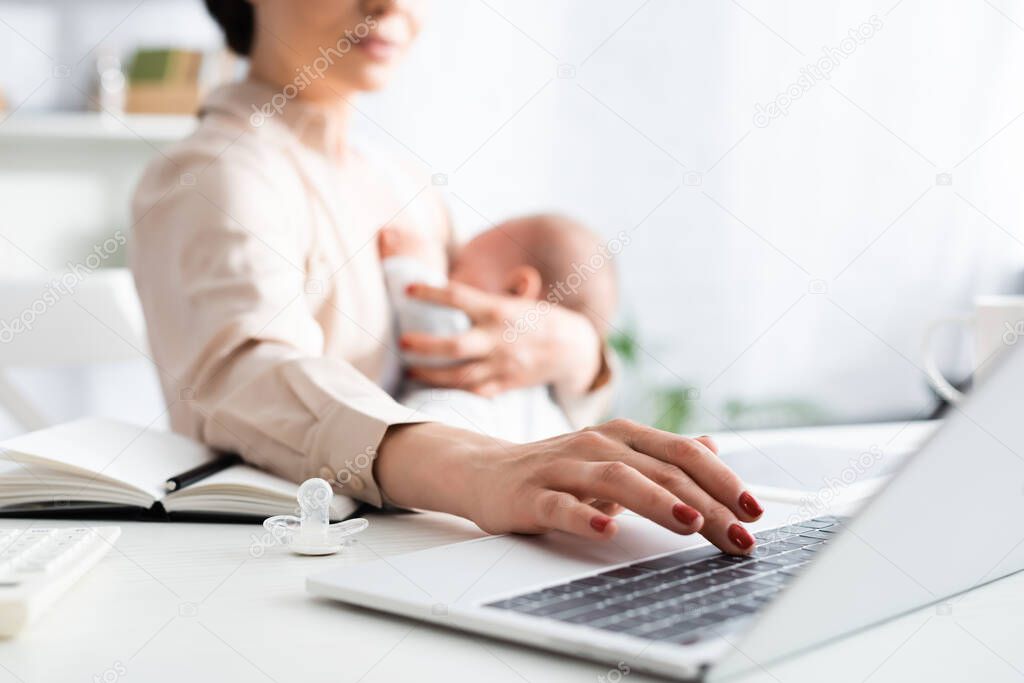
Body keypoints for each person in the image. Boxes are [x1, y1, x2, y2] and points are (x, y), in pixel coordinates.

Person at [130, 0, 764, 553]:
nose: (392, 2)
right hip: (271, 560)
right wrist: (479, 468)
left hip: (422, 547)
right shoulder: (213, 175)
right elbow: (246, 377)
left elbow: (489, 341)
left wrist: (573, 348)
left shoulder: (402, 185)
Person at [381, 214, 614, 443]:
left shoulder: (470, 340)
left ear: (516, 289)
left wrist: (410, 264)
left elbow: (434, 333)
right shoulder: (556, 414)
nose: (446, 275)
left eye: (458, 267)